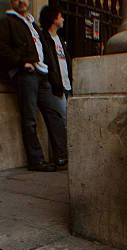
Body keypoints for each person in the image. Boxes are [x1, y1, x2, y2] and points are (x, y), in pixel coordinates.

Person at [0, 0, 67, 171]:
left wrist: (50, 72)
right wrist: (22, 63)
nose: (22, 1)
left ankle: (62, 156)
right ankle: (36, 160)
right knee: (29, 119)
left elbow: (44, 49)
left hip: (43, 75)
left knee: (54, 114)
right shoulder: (7, 21)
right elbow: (3, 49)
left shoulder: (32, 23)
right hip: (26, 74)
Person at [39, 5, 72, 126]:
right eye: (60, 16)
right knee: (63, 122)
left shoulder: (60, 40)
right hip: (56, 87)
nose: (63, 19)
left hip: (67, 86)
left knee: (67, 121)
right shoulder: (43, 38)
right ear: (54, 19)